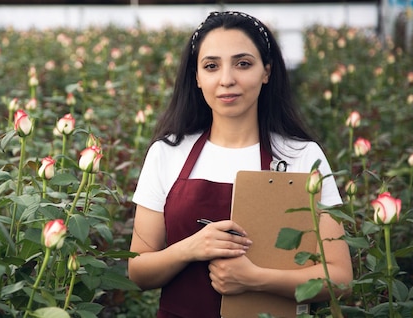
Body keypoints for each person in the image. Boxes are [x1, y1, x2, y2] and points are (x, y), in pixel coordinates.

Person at [128, 11, 353, 318]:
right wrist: (191, 248)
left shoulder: (301, 155)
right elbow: (139, 271)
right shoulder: (167, 154)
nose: (226, 79)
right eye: (211, 66)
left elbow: (339, 278)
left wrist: (255, 279)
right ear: (196, 77)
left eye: (243, 63)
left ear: (267, 71)